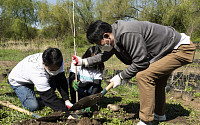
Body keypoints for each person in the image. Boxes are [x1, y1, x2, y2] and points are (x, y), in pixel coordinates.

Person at [72, 20, 196, 125]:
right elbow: (103, 56)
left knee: (144, 75)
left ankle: (146, 120)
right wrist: (83, 61)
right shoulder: (113, 37)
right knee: (156, 79)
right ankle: (159, 114)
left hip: (180, 48)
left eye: (99, 44)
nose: (99, 47)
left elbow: (141, 62)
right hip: (166, 50)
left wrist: (120, 76)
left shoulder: (127, 33)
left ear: (106, 36)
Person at [8, 47, 73, 117]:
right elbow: (48, 95)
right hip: (20, 81)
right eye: (52, 70)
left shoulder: (57, 60)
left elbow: (60, 80)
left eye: (57, 69)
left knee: (52, 87)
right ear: (43, 63)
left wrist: (66, 100)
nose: (56, 71)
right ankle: (34, 99)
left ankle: (45, 100)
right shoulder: (36, 71)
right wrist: (65, 113)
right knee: (33, 106)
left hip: (33, 76)